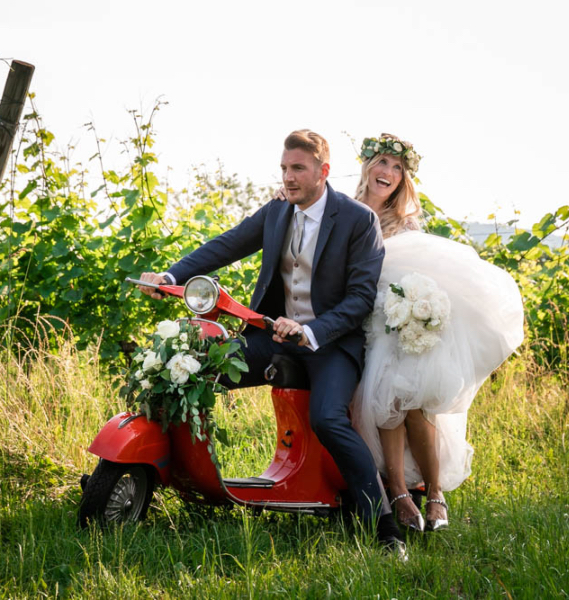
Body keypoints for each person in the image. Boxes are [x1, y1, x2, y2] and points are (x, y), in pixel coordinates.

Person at [137, 129, 407, 554]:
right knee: (192, 366)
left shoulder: (358, 220)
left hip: (331, 344)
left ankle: (384, 526)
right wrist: (171, 276)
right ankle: (161, 476)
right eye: (284, 168)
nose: (288, 177)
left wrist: (311, 330)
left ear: (324, 172)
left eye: (298, 168)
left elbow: (360, 300)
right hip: (273, 337)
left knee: (328, 419)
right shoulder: (277, 211)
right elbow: (225, 245)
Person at [349, 134, 525, 533]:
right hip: (367, 320)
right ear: (367, 165)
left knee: (411, 402)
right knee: (385, 401)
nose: (388, 174)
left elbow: (427, 272)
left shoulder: (406, 221)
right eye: (382, 163)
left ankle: (433, 494)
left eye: (397, 168)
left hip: (400, 320)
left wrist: (417, 310)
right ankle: (398, 493)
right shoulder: (346, 211)